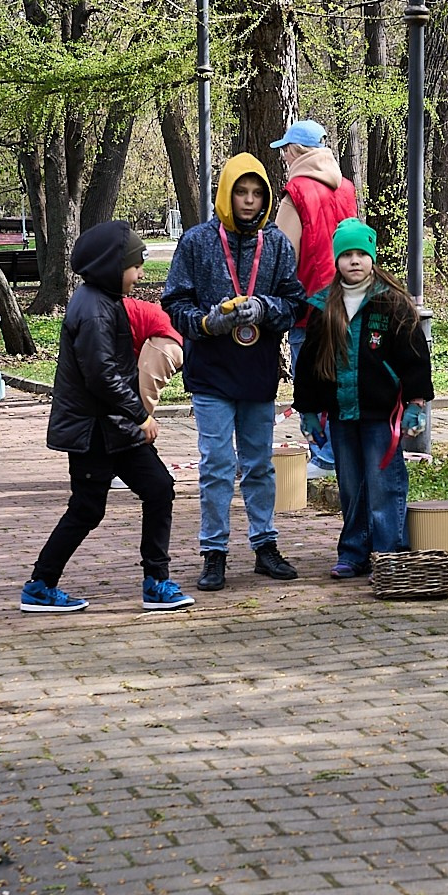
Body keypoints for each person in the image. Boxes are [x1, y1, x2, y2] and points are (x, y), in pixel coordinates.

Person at [22, 222, 193, 614]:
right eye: (135, 266)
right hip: (96, 431)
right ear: (113, 267)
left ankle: (156, 582)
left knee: (158, 488)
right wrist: (140, 415)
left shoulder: (102, 299)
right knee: (87, 508)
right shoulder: (95, 310)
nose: (140, 274)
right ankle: (40, 586)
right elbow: (100, 376)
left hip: (110, 427)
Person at [162, 152, 305, 592]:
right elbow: (174, 303)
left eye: (257, 193)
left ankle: (265, 545)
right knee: (218, 464)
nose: (248, 201)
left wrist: (266, 308)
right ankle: (214, 552)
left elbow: (295, 302)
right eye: (240, 192)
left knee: (259, 464)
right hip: (211, 373)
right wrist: (206, 323)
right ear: (226, 194)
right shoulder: (197, 242)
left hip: (258, 371)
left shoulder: (277, 243)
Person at [293, 220, 433, 579]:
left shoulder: (393, 304)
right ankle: (355, 551)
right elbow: (308, 364)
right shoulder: (324, 307)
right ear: (337, 260)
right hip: (342, 413)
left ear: (372, 258)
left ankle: (389, 553)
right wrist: (308, 410)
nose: (354, 261)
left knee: (384, 482)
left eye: (361, 254)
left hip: (380, 413)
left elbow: (415, 357)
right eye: (347, 255)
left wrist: (416, 403)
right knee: (351, 485)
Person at [272, 120, 362, 470]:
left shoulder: (295, 192)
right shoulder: (347, 189)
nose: (283, 156)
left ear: (295, 151)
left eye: (285, 149)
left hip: (308, 303)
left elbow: (284, 255)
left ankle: (325, 456)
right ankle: (345, 454)